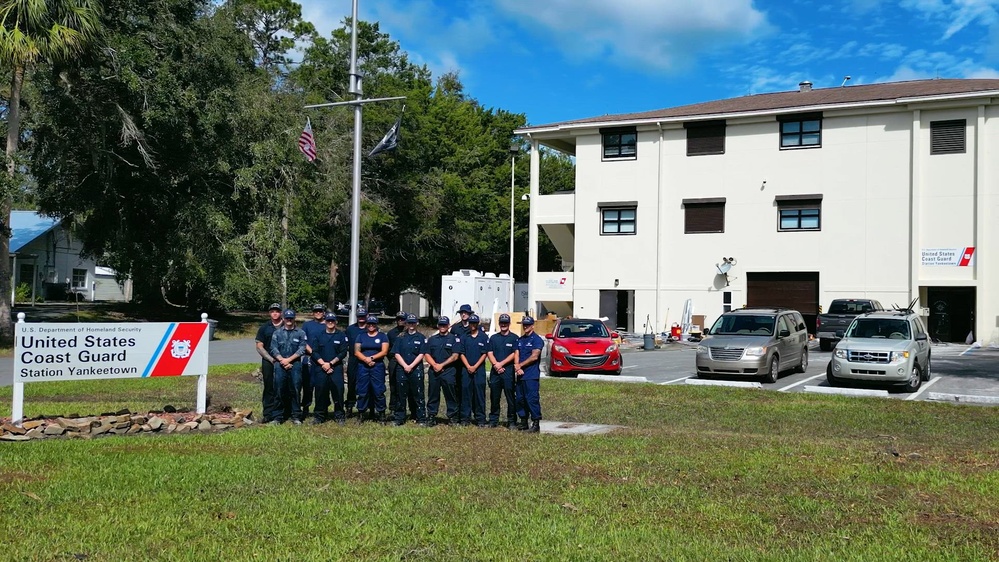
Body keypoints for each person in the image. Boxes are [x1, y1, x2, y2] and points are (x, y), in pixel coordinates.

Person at [269, 309, 308, 425]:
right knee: (279, 390)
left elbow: (302, 349)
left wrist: (289, 360)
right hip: (280, 365)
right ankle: (277, 417)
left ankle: (296, 416)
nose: (289, 320)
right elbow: (273, 348)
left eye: (291, 318)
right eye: (287, 318)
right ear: (284, 319)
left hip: (295, 364)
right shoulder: (277, 333)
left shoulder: (300, 333)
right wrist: (282, 360)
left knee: (295, 390)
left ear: (294, 318)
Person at [309, 312, 349, 424]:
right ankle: (319, 416)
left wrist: (330, 364)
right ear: (325, 322)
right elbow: (314, 352)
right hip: (321, 368)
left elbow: (343, 352)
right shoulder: (319, 335)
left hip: (335, 367)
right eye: (328, 321)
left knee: (338, 392)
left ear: (336, 322)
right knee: (320, 392)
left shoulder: (341, 335)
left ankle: (339, 415)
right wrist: (323, 364)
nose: (330, 323)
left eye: (332, 321)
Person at [391, 313, 428, 426]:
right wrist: (405, 366)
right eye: (409, 323)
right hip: (401, 369)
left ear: (417, 323)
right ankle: (399, 418)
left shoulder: (421, 338)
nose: (411, 325)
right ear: (406, 324)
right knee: (401, 394)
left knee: (418, 394)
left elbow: (422, 354)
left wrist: (411, 366)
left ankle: (421, 417)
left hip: (416, 369)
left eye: (413, 322)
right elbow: (396, 353)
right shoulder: (400, 337)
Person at [353, 313, 389, 423]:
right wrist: (366, 359)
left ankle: (381, 414)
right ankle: (361, 413)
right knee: (362, 390)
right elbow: (356, 351)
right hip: (363, 366)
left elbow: (384, 351)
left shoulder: (382, 336)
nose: (371, 326)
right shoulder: (361, 336)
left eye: (373, 324)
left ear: (376, 325)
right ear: (366, 324)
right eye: (369, 324)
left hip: (377, 366)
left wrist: (372, 358)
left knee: (378, 390)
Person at [424, 316, 460, 426]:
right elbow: (427, 354)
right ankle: (431, 416)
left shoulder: (454, 339)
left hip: (448, 371)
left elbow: (455, 356)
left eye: (445, 325)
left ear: (449, 326)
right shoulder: (432, 339)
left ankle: (452, 417)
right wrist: (435, 365)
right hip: (434, 371)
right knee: (433, 394)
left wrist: (442, 365)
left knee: (450, 395)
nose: (442, 327)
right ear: (438, 326)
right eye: (441, 325)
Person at [487, 313, 519, 428]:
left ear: (509, 324)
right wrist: (496, 364)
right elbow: (489, 352)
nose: (503, 325)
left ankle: (511, 421)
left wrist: (501, 364)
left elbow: (514, 353)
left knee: (510, 397)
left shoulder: (514, 338)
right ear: (499, 324)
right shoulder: (493, 338)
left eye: (506, 323)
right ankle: (493, 420)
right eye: (502, 323)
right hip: (495, 372)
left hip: (508, 372)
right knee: (494, 397)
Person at [514, 315, 545, 433]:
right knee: (520, 399)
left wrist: (520, 365)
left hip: (531, 376)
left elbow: (534, 356)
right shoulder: (520, 340)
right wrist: (517, 367)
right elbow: (516, 354)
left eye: (528, 325)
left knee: (531, 399)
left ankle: (536, 423)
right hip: (520, 375)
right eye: (524, 325)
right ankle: (523, 421)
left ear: (532, 326)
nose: (525, 327)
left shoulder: (537, 340)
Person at [458, 314, 489, 426]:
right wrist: (468, 366)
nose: (472, 325)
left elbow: (485, 353)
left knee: (479, 394)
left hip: (479, 370)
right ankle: (465, 418)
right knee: (465, 393)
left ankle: (480, 418)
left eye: (475, 323)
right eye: (471, 323)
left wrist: (475, 366)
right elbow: (461, 353)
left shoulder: (483, 337)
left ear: (478, 323)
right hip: (466, 370)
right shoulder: (464, 337)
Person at [254, 303, 283, 423]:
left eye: (277, 311)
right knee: (269, 387)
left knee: (283, 387)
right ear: (269, 313)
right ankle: (268, 413)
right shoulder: (264, 327)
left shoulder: (287, 325)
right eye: (272, 311)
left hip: (284, 361)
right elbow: (259, 346)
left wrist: (283, 360)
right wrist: (271, 359)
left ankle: (284, 412)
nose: (275, 313)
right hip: (269, 361)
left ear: (281, 312)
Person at [300, 303, 327, 418]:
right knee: (308, 386)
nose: (318, 313)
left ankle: (322, 409)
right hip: (309, 359)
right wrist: (312, 352)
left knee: (322, 386)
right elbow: (303, 340)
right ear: (313, 312)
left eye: (320, 311)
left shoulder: (328, 324)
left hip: (324, 360)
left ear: (324, 312)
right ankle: (305, 408)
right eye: (316, 311)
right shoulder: (307, 325)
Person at [450, 303, 474, 417]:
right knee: (457, 387)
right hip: (457, 362)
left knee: (469, 388)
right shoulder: (455, 328)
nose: (464, 314)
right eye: (462, 313)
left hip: (470, 361)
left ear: (470, 314)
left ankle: (468, 413)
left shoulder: (474, 327)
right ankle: (458, 412)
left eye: (466, 313)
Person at [344, 307, 368, 417]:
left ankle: (364, 408)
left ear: (366, 316)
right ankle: (349, 406)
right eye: (359, 316)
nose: (361, 318)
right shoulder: (350, 329)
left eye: (363, 316)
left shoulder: (371, 328)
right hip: (353, 360)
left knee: (365, 385)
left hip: (367, 360)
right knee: (351, 384)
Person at [386, 311, 408, 415]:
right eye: (398, 319)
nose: (400, 321)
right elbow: (387, 349)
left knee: (407, 386)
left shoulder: (410, 331)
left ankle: (408, 408)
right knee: (394, 386)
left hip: (408, 362)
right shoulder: (391, 333)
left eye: (402, 319)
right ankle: (393, 408)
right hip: (394, 361)